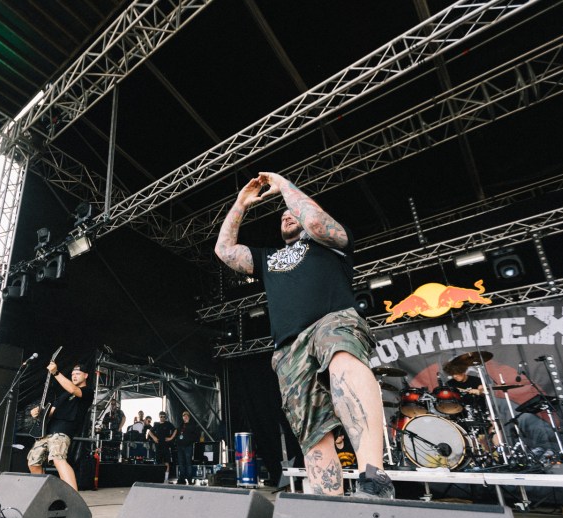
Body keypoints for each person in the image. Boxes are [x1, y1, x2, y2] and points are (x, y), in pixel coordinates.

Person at [215, 172, 393, 498]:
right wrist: (241, 203)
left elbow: (313, 220)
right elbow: (225, 250)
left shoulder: (331, 242)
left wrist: (284, 186)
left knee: (341, 357)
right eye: (282, 215)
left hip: (332, 319)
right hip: (288, 348)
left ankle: (373, 477)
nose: (286, 215)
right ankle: (329, 502)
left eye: (292, 212)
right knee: (311, 427)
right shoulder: (269, 259)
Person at [28, 360, 93, 491]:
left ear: (85, 375)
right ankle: (44, 493)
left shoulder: (87, 391)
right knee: (33, 462)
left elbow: (73, 389)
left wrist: (56, 373)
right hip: (46, 431)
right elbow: (50, 412)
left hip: (63, 431)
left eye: (78, 374)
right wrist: (37, 413)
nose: (74, 376)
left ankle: (73, 497)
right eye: (73, 374)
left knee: (58, 458)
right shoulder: (64, 395)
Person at [174, 411, 202, 484]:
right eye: (184, 415)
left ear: (189, 417)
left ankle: (189, 479)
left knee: (188, 463)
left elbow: (197, 435)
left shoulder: (192, 425)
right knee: (181, 463)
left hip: (188, 447)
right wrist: (177, 442)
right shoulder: (180, 425)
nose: (185, 417)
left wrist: (190, 441)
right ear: (182, 417)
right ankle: (182, 479)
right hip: (180, 447)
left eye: (187, 415)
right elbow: (176, 434)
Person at [148, 411, 177, 481]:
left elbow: (175, 430)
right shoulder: (156, 424)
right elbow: (149, 432)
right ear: (159, 417)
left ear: (165, 417)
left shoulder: (168, 424)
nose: (162, 418)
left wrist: (171, 438)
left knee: (167, 462)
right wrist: (154, 438)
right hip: (158, 447)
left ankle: (166, 479)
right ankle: (159, 478)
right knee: (158, 463)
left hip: (166, 446)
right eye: (161, 416)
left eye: (164, 416)